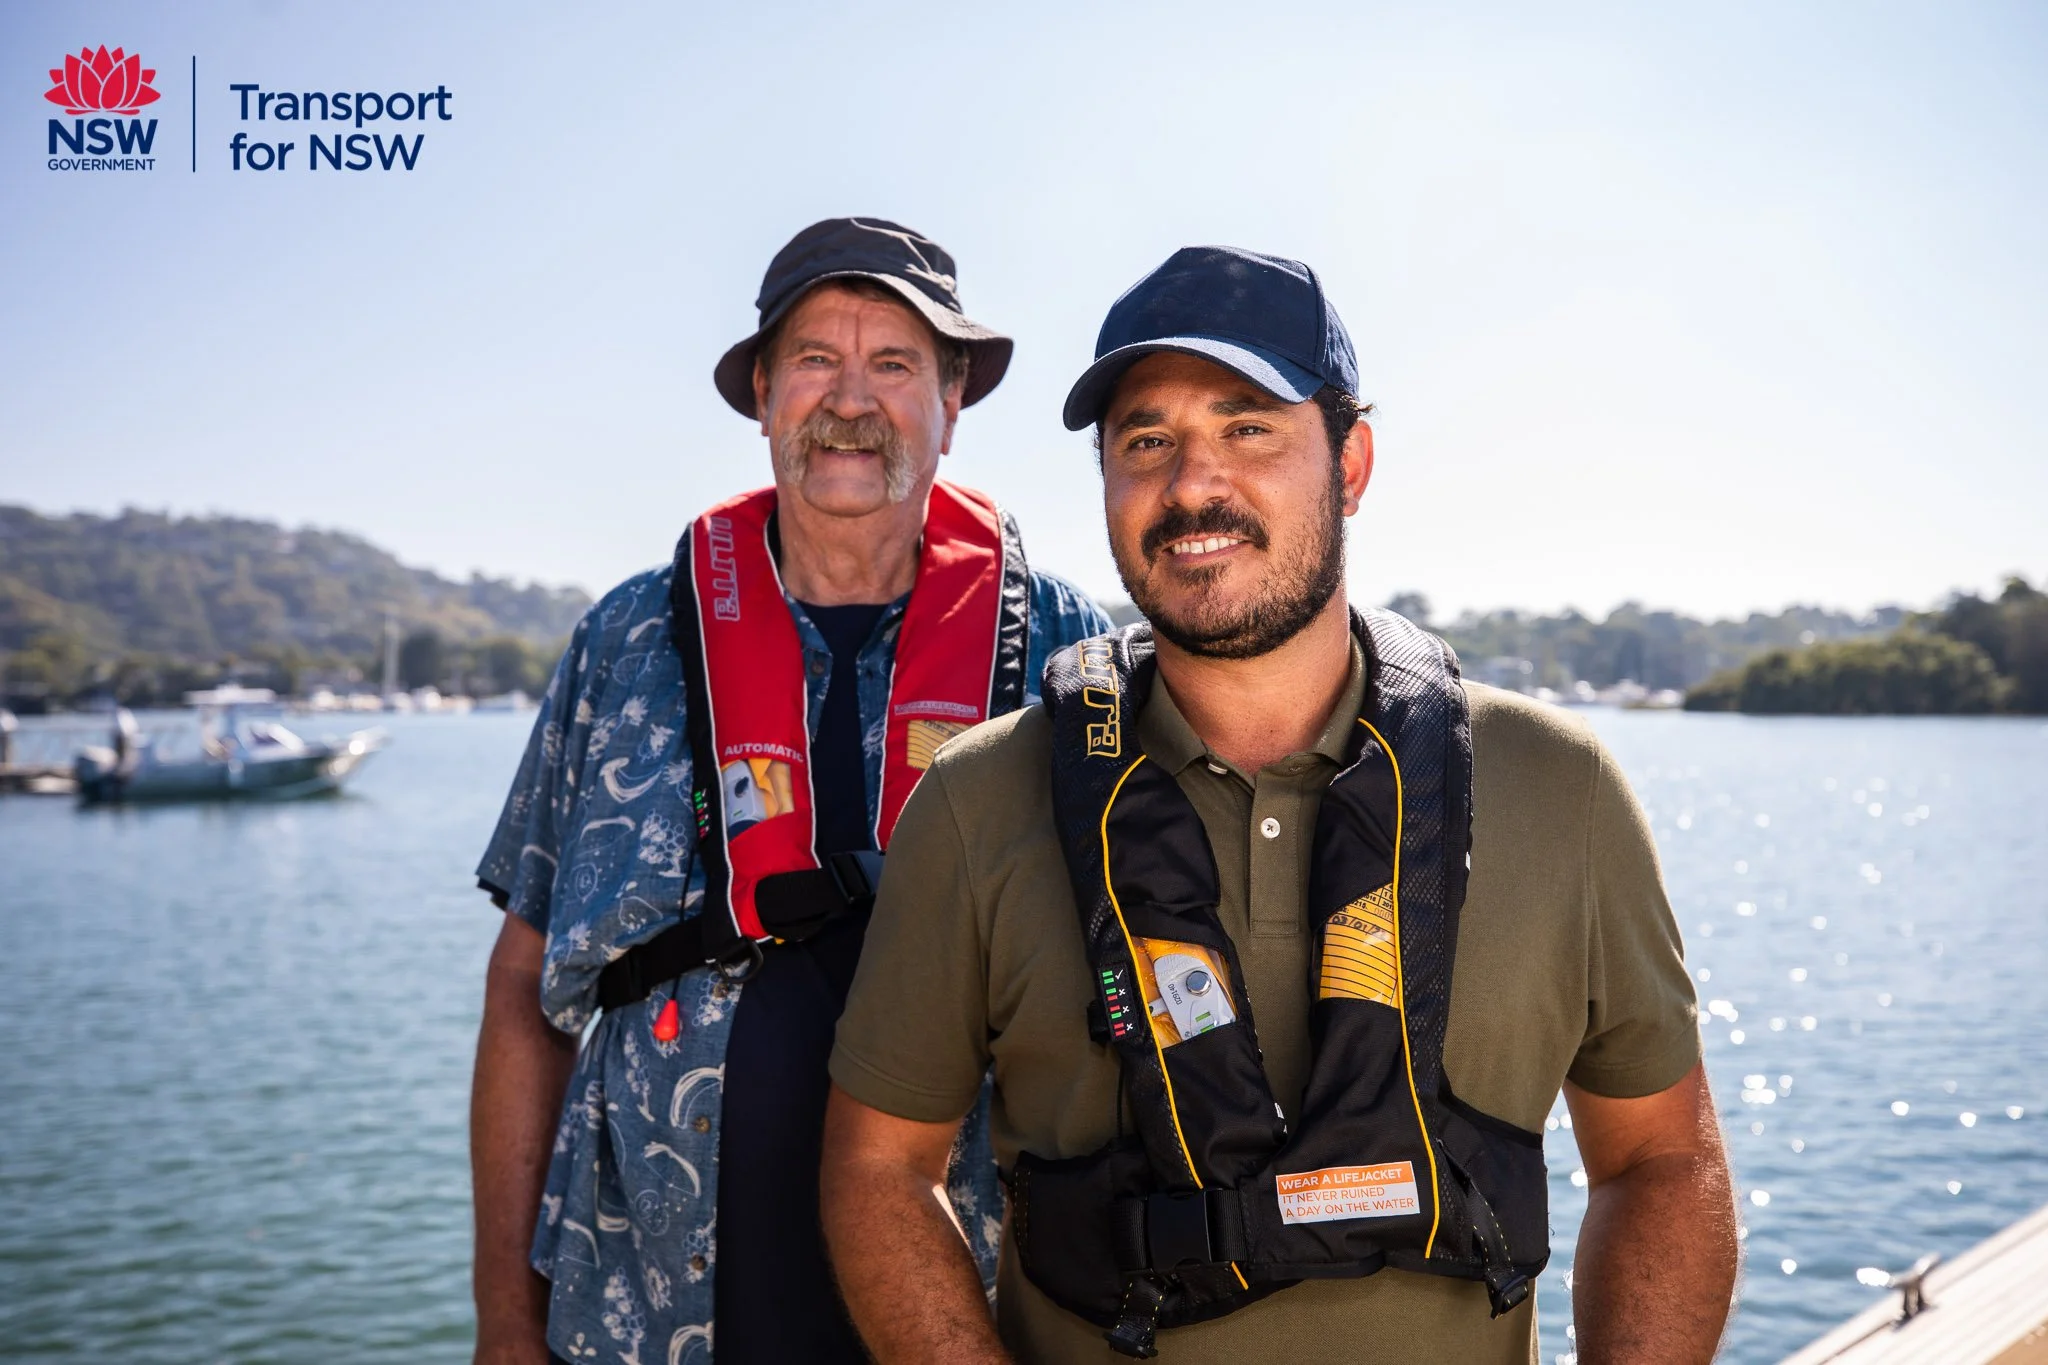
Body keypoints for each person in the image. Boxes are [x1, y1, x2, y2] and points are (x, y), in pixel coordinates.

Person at [821, 246, 1738, 1363]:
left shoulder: (1557, 784)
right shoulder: (976, 801)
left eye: (1248, 427)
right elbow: (879, 1168)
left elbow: (1660, 1160)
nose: (1191, 485)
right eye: (1144, 441)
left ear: (1350, 464)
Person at [470, 217, 1112, 1365]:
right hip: (647, 1302)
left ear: (951, 402)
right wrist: (505, 1325)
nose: (849, 400)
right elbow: (525, 991)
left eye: (895, 363)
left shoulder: (1067, 651)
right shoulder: (625, 640)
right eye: (815, 359)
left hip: (969, 1298)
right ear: (763, 394)